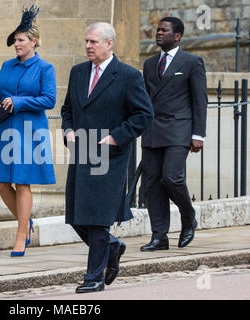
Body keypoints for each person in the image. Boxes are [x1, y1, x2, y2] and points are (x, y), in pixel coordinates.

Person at [61, 22, 153, 293]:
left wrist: (115, 137)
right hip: (81, 153)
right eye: (86, 41)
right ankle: (113, 247)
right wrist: (67, 131)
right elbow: (67, 109)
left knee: (98, 218)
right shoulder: (78, 72)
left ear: (109, 44)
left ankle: (94, 278)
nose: (88, 46)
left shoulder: (127, 75)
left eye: (94, 42)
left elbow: (144, 115)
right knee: (77, 217)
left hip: (109, 156)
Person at [0, 5, 56, 257]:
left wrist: (20, 101)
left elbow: (49, 100)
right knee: (1, 183)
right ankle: (26, 224)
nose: (16, 44)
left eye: (21, 40)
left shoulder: (45, 69)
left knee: (23, 183)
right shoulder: (7, 66)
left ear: (33, 42)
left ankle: (20, 234)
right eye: (15, 40)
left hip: (29, 131)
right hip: (3, 130)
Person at [140, 17, 207, 251]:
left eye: (164, 30)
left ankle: (188, 217)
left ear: (177, 36)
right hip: (152, 130)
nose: (159, 33)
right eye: (158, 29)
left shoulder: (192, 62)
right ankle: (159, 236)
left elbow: (200, 101)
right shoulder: (149, 64)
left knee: (171, 177)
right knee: (152, 185)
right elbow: (144, 99)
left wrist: (199, 134)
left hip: (179, 130)